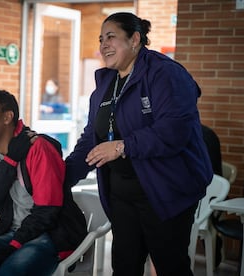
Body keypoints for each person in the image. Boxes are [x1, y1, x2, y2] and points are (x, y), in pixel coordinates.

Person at [64, 12, 213, 276]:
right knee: (124, 266)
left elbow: (174, 130)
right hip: (122, 195)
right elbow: (92, 139)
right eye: (101, 39)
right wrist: (62, 176)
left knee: (170, 266)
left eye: (111, 37)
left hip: (166, 191)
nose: (103, 45)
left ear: (135, 39)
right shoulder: (105, 84)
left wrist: (123, 146)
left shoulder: (165, 74)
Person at [0, 89, 87, 276]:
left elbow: (47, 211)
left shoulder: (38, 148)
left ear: (7, 117)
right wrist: (10, 161)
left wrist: (13, 246)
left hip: (50, 235)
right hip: (11, 232)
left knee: (11, 272)